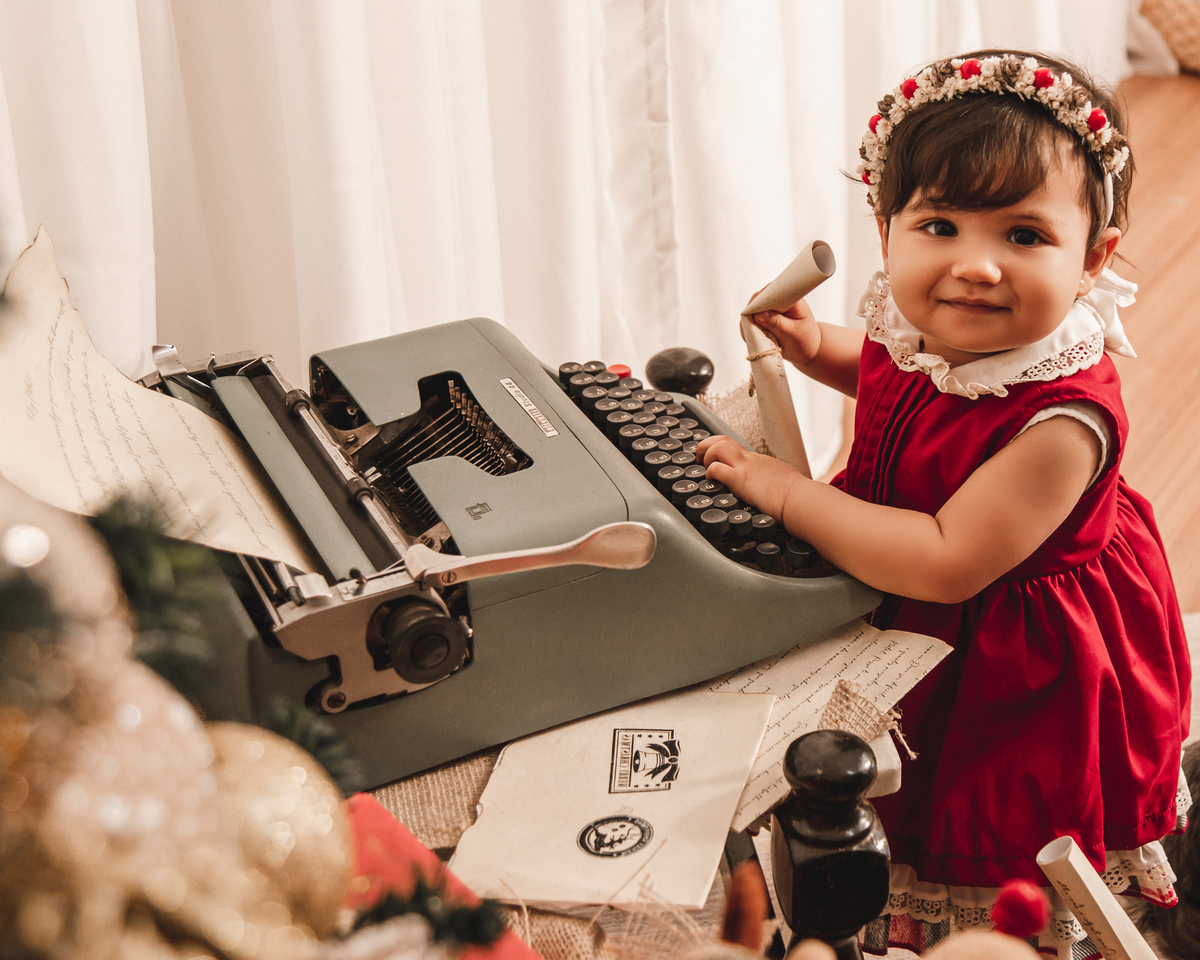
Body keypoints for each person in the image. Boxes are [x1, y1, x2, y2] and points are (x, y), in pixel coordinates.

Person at [696, 50, 1192, 957]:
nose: (975, 266)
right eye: (940, 225)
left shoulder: (1063, 420)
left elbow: (944, 555)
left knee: (980, 816)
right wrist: (815, 348)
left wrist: (787, 492)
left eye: (1024, 236)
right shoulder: (928, 328)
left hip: (1008, 643)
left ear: (1093, 258)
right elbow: (901, 378)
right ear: (886, 230)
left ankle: (991, 931)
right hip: (910, 569)